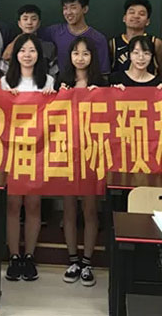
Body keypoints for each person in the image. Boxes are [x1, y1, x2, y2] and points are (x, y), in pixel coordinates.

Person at [1, 33, 54, 282]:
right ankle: (14, 256)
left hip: (38, 151)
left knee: (33, 204)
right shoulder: (4, 82)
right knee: (13, 205)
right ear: (15, 55)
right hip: (12, 151)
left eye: (32, 50)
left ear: (39, 55)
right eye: (23, 50)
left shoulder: (48, 81)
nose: (27, 55)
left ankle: (29, 256)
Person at [56, 36, 106, 287]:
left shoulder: (102, 83)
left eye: (86, 53)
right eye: (76, 53)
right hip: (65, 152)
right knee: (68, 209)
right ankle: (72, 259)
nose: (80, 58)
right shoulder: (61, 81)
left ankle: (87, 261)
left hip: (92, 153)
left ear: (92, 57)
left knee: (90, 209)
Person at [39, 0, 110, 76]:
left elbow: (104, 73)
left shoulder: (98, 39)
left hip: (89, 82)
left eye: (73, 7)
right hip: (63, 82)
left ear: (85, 9)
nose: (68, 12)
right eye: (65, 8)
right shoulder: (56, 31)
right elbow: (33, 34)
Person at [109, 0, 162, 79]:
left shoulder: (155, 43)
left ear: (147, 21)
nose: (136, 16)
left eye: (141, 14)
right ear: (124, 18)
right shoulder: (113, 44)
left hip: (149, 86)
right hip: (120, 86)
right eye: (132, 12)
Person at [0, 4, 58, 77]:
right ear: (19, 23)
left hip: (42, 83)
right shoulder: (10, 47)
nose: (29, 22)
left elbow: (54, 73)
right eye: (25, 19)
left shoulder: (49, 47)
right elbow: (3, 71)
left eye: (34, 19)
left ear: (39, 23)